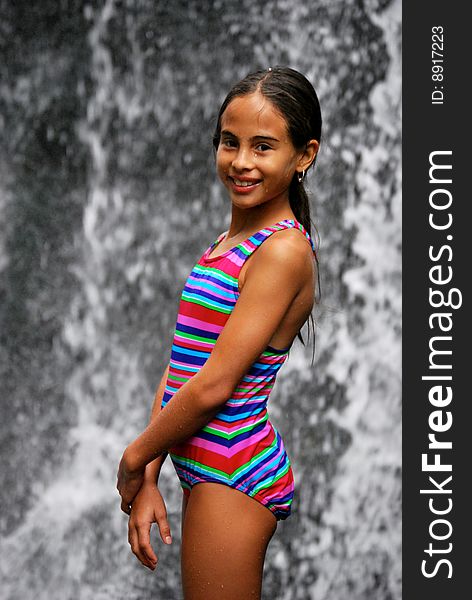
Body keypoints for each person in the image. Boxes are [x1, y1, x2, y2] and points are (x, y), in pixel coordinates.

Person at [117, 66, 322, 600]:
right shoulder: (230, 239)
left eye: (263, 146)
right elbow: (185, 359)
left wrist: (135, 458)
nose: (242, 162)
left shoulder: (282, 251)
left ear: (304, 156)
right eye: (230, 143)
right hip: (199, 459)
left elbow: (215, 385)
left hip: (233, 468)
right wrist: (153, 471)